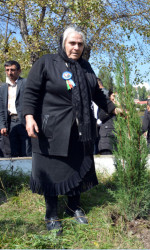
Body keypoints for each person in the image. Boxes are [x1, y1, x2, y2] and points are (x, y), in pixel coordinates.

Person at [23, 26, 116, 235]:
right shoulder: (46, 62)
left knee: (78, 168)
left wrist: (114, 108)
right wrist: (29, 117)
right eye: (72, 43)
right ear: (63, 43)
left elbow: (98, 95)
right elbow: (30, 92)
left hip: (80, 130)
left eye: (80, 44)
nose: (76, 47)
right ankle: (51, 214)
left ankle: (74, 207)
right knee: (53, 171)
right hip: (51, 130)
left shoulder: (86, 66)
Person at [0, 61, 32, 157]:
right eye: (7, 70)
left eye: (13, 70)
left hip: (24, 122)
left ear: (19, 71)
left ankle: (27, 172)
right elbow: (1, 108)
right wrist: (2, 125)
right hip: (10, 123)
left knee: (26, 151)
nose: (10, 72)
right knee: (12, 152)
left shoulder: (26, 83)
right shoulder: (3, 88)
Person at [98, 91, 117, 155]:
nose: (114, 98)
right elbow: (101, 116)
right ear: (109, 97)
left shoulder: (120, 107)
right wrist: (112, 108)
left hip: (116, 142)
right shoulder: (105, 105)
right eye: (113, 96)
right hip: (106, 143)